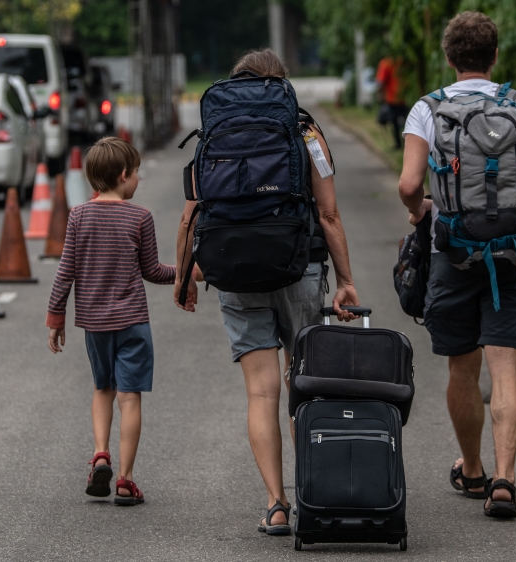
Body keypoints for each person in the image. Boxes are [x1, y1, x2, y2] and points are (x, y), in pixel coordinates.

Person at [174, 49, 361, 535]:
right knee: (304, 387)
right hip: (296, 267)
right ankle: (315, 497)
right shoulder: (305, 131)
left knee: (261, 393)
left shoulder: (213, 131)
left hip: (233, 269)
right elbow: (330, 214)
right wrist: (345, 280)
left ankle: (277, 505)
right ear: (282, 85)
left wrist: (184, 275)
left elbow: (192, 212)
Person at [398, 12, 516, 518]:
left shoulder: (427, 110)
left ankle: (472, 469)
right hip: (511, 254)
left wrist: (417, 211)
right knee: (506, 365)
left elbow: (408, 185)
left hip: (452, 252)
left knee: (461, 367)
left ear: (449, 58)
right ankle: (506, 478)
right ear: (495, 56)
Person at [47, 137, 176, 506]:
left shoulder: (78, 216)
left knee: (103, 388)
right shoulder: (140, 217)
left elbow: (65, 272)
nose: (138, 181)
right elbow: (152, 271)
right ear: (123, 175)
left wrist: (56, 316)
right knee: (129, 395)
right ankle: (125, 479)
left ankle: (100, 453)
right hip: (133, 322)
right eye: (136, 174)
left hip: (94, 325)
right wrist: (185, 274)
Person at [376, 56, 407, 150]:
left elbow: (381, 81)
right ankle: (406, 142)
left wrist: (380, 95)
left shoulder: (385, 63)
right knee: (406, 121)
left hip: (392, 97)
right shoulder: (404, 60)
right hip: (405, 97)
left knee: (394, 122)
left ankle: (398, 144)